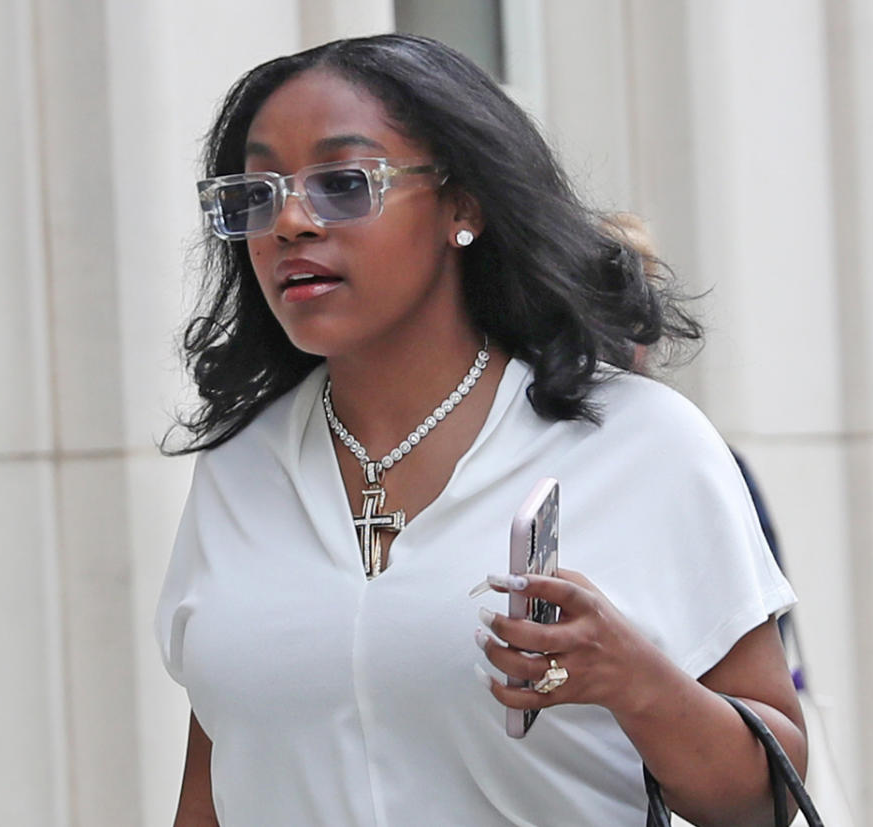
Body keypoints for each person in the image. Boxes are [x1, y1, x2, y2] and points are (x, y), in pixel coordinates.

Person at [156, 33, 805, 826]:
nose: (288, 221)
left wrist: (634, 678)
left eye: (342, 182)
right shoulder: (239, 467)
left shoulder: (641, 441)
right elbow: (212, 785)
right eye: (256, 193)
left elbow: (763, 799)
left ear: (462, 205)